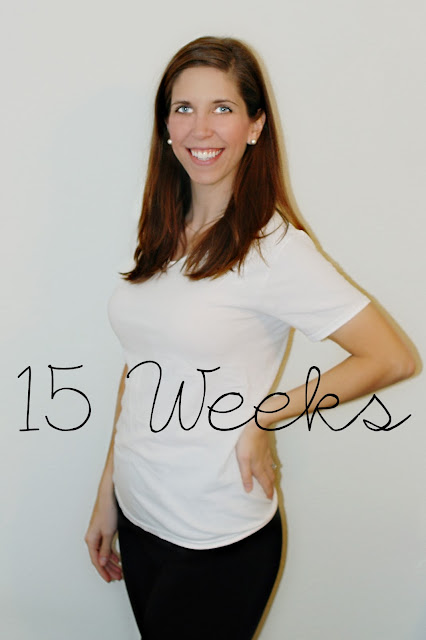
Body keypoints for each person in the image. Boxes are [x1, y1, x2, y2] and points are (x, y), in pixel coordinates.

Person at [85, 36, 415, 639]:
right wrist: (107, 493)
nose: (201, 128)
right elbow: (140, 369)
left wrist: (265, 416)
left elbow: (391, 357)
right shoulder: (160, 229)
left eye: (223, 108)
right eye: (184, 108)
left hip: (215, 538)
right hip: (140, 514)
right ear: (165, 126)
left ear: (255, 125)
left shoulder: (274, 250)